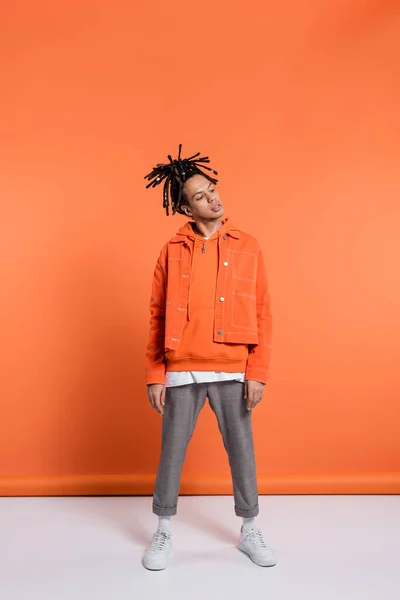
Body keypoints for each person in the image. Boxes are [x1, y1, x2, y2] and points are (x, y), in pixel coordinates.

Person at [142, 146, 276, 570]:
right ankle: (163, 531)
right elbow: (157, 314)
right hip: (181, 368)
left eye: (213, 189)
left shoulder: (248, 246)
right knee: (172, 453)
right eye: (201, 195)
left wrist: (258, 372)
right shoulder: (171, 250)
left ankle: (249, 528)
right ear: (185, 206)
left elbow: (263, 312)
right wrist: (154, 375)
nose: (213, 198)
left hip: (232, 369)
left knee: (241, 450)